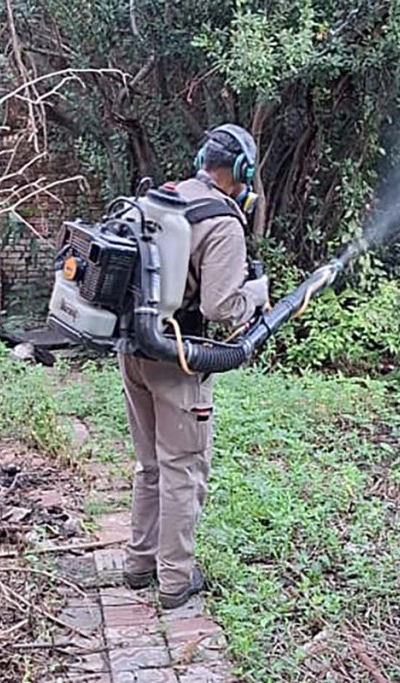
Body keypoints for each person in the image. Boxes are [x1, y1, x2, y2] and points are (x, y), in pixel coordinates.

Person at [117, 123, 270, 609]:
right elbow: (221, 307)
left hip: (133, 351)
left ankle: (139, 564)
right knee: (183, 468)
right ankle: (175, 582)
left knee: (150, 466)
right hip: (177, 358)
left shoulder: (165, 197)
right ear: (242, 170)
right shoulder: (222, 222)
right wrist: (258, 293)